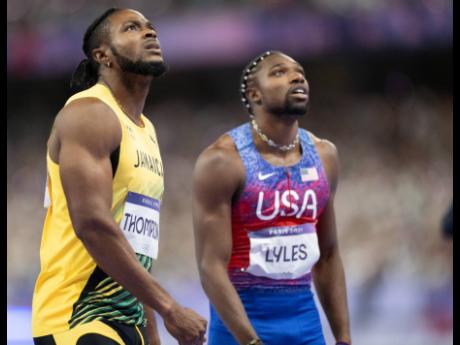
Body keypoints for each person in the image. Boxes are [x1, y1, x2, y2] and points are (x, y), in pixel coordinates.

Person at [31, 8, 207, 345]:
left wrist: (151, 330)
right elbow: (93, 226)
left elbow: (133, 243)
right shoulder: (89, 114)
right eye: (132, 28)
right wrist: (170, 308)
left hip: (129, 322)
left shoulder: (146, 130)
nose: (149, 33)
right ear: (103, 55)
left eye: (151, 27)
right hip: (79, 318)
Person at [193, 51, 351, 345]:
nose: (297, 77)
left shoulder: (325, 156)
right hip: (240, 327)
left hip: (305, 325)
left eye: (300, 72)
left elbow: (328, 254)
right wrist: (250, 341)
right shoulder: (222, 161)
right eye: (279, 72)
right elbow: (210, 266)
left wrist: (343, 338)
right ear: (255, 94)